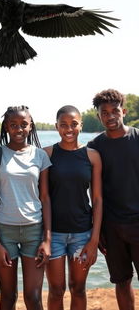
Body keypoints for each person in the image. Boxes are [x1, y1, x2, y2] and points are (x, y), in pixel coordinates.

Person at [0, 105, 51, 310]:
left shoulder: (40, 156)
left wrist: (47, 240)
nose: (19, 129)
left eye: (24, 124)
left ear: (31, 126)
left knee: (32, 297)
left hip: (34, 230)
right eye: (13, 125)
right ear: (6, 127)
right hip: (5, 231)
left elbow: (46, 198)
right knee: (8, 296)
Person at [44, 105, 102, 310]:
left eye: (74, 124)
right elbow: (42, 197)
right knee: (56, 290)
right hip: (55, 234)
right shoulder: (47, 154)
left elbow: (97, 199)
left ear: (81, 125)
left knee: (78, 288)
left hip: (82, 234)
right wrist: (46, 237)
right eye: (63, 125)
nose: (69, 129)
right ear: (56, 126)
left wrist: (94, 239)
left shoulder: (92, 156)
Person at [87, 89, 139, 310]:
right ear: (99, 116)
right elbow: (93, 192)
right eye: (104, 113)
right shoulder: (94, 147)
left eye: (115, 111)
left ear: (124, 111)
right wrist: (97, 232)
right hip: (112, 227)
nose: (110, 116)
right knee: (122, 281)